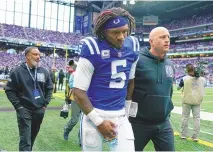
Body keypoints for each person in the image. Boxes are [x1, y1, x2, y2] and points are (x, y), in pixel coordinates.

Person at [73, 7, 139, 151]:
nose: (121, 36)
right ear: (103, 32)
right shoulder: (92, 47)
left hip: (120, 115)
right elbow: (77, 92)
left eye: (125, 31)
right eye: (115, 32)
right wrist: (98, 122)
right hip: (95, 114)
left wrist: (126, 112)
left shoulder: (132, 45)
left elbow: (130, 82)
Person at [129, 27, 175, 151]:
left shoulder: (170, 64)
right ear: (151, 42)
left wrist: (167, 111)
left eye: (168, 37)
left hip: (163, 122)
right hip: (139, 122)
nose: (167, 40)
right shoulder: (138, 60)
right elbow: (128, 89)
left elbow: (169, 91)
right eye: (162, 37)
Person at [5, 46, 53, 151]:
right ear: (27, 56)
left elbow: (49, 88)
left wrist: (45, 104)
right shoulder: (17, 71)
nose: (38, 57)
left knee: (32, 137)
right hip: (24, 109)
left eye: (39, 55)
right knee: (25, 139)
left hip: (39, 110)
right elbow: (9, 90)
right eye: (35, 54)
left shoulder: (44, 71)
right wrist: (19, 107)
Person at [177, 64, 206, 142]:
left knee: (185, 117)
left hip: (186, 101)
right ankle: (195, 136)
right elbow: (204, 86)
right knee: (197, 118)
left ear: (187, 70)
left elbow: (178, 88)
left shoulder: (184, 78)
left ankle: (183, 134)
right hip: (197, 101)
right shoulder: (203, 79)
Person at [63, 61, 81, 145]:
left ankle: (81, 140)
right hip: (76, 99)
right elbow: (71, 85)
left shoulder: (88, 73)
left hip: (88, 100)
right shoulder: (73, 74)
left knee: (84, 122)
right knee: (74, 120)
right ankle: (66, 129)